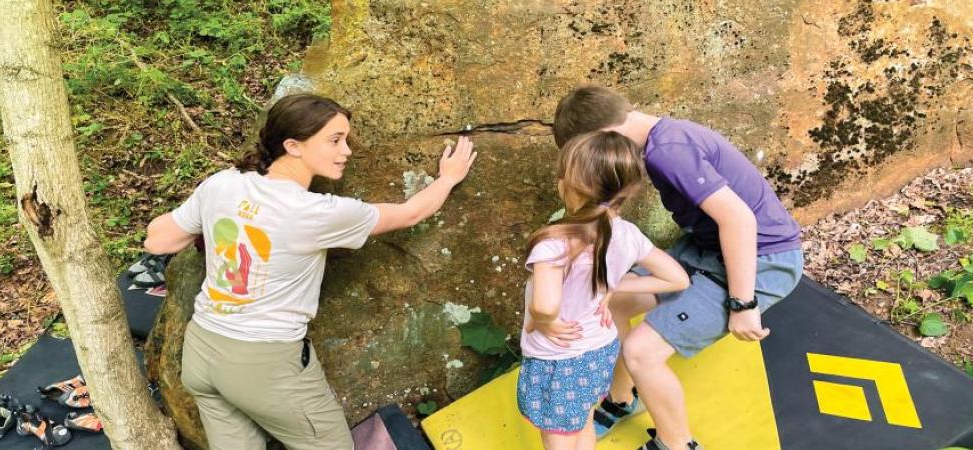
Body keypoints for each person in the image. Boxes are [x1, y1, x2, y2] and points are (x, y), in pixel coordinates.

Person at [143, 93, 477, 450]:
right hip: (265, 365)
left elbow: (157, 240)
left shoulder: (223, 183)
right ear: (293, 145)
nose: (346, 150)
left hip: (202, 352)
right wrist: (447, 179)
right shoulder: (316, 212)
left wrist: (222, 224)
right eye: (334, 140)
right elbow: (409, 213)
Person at [552, 85, 804, 450]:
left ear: (604, 137)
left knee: (642, 352)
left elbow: (740, 220)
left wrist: (743, 304)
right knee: (616, 302)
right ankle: (622, 398)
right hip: (707, 249)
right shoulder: (664, 138)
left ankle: (676, 444)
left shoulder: (668, 152)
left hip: (763, 260)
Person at [517, 130, 688, 450]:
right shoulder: (628, 234)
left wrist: (544, 321)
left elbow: (544, 304)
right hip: (599, 350)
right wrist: (616, 285)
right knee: (581, 423)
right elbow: (676, 279)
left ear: (565, 188)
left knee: (558, 439)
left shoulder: (553, 243)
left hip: (558, 361)